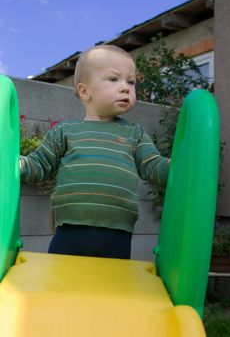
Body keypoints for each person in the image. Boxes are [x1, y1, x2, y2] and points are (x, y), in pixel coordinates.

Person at [20, 45, 170, 259]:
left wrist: (176, 166)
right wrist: (17, 164)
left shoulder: (134, 133)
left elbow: (153, 167)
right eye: (114, 79)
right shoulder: (64, 132)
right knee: (63, 286)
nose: (126, 87)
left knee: (110, 289)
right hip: (69, 230)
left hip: (118, 233)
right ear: (84, 91)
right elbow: (39, 166)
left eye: (131, 81)